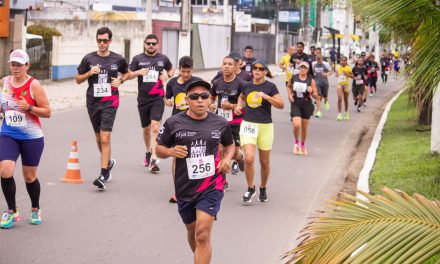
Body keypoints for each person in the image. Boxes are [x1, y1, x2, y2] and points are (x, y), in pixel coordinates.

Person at [156, 80, 234, 264]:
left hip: (212, 185)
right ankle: (200, 256)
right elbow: (159, 148)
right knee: (193, 232)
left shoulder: (220, 123)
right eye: (194, 97)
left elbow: (230, 145)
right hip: (185, 188)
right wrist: (170, 151)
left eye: (204, 96)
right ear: (187, 100)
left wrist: (227, 159)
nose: (200, 100)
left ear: (209, 100)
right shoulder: (173, 122)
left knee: (202, 234)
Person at [0, 49, 51, 228]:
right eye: (13, 64)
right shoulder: (4, 83)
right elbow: (2, 106)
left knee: (29, 177)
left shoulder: (33, 85)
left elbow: (47, 112)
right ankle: (12, 211)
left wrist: (29, 107)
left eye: (19, 65)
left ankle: (35, 207)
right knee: (5, 170)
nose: (15, 68)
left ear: (27, 66)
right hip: (8, 134)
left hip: (32, 137)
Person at [75, 27, 129, 191]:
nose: (102, 43)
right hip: (93, 101)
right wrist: (89, 73)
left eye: (105, 40)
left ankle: (103, 174)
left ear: (110, 41)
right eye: (99, 40)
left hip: (110, 101)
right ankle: (109, 162)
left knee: (105, 138)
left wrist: (121, 80)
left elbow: (127, 73)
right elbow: (78, 79)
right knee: (99, 138)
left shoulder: (117, 59)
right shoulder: (89, 58)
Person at [235, 60, 284, 203]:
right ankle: (251, 188)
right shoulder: (246, 84)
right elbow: (242, 97)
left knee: (264, 162)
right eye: (254, 68)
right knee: (249, 158)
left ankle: (263, 187)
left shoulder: (270, 86)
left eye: (260, 69)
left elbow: (281, 105)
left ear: (265, 71)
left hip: (265, 126)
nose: (257, 71)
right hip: (248, 124)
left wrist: (267, 97)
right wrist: (239, 106)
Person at [128, 34, 175, 172]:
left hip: (158, 98)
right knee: (146, 129)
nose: (151, 46)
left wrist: (168, 75)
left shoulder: (163, 58)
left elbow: (171, 69)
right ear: (144, 44)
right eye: (148, 43)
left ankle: (154, 159)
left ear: (157, 45)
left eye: (153, 43)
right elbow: (128, 74)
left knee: (155, 127)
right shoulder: (138, 59)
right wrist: (138, 72)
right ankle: (148, 151)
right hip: (143, 99)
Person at [165, 56, 202, 203]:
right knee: (177, 157)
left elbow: (207, 98)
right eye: (183, 71)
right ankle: (178, 191)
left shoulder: (197, 82)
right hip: (178, 124)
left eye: (188, 71)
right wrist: (168, 101)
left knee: (195, 156)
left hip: (196, 123)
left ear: (192, 69)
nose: (186, 74)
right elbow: (167, 99)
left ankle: (198, 189)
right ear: (179, 69)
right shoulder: (172, 83)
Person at [210, 56, 245, 176]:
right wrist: (211, 105)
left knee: (234, 153)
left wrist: (232, 106)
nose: (226, 66)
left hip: (236, 122)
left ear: (235, 68)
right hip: (220, 122)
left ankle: (240, 158)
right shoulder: (217, 83)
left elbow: (246, 103)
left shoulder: (241, 83)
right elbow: (212, 98)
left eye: (230, 64)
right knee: (220, 150)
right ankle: (222, 180)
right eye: (224, 63)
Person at [287, 62, 318, 155]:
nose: (303, 69)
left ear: (308, 69)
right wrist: (289, 95)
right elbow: (288, 86)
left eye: (305, 68)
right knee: (297, 125)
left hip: (306, 104)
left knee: (304, 127)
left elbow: (316, 96)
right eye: (301, 67)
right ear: (299, 68)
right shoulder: (294, 77)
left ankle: (303, 145)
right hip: (296, 103)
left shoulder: (311, 80)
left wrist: (312, 91)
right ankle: (296, 142)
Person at [335, 56, 353, 121]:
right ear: (340, 61)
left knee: (346, 100)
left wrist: (347, 74)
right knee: (339, 98)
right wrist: (336, 74)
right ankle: (339, 114)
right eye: (342, 60)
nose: (343, 62)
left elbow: (353, 76)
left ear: (346, 61)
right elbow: (336, 74)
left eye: (344, 60)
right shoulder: (338, 67)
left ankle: (346, 113)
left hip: (346, 85)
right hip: (340, 84)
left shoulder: (348, 68)